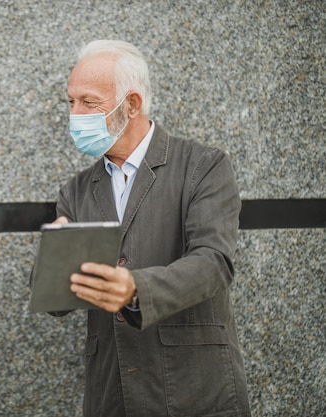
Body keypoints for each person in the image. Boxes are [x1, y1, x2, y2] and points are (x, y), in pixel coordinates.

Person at [52, 40, 251, 416]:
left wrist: (136, 288)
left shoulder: (203, 166)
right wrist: (57, 261)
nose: (75, 114)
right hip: (112, 395)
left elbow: (214, 263)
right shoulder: (74, 191)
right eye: (70, 102)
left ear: (132, 104)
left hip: (195, 391)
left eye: (88, 102)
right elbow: (57, 304)